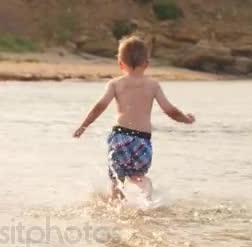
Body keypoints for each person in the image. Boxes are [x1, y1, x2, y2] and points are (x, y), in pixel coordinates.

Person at [73, 36, 195, 200]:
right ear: (147, 63)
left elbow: (100, 106)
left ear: (120, 63)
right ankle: (147, 197)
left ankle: (116, 207)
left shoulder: (115, 84)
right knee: (138, 176)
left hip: (120, 137)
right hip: (142, 140)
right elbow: (169, 110)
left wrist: (84, 126)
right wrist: (186, 119)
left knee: (117, 178)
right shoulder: (153, 85)